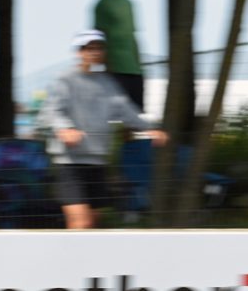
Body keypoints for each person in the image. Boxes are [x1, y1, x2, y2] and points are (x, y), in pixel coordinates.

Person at [40, 30, 166, 230]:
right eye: (89, 48)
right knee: (79, 223)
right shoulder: (65, 80)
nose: (95, 52)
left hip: (97, 163)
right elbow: (51, 110)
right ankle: (70, 261)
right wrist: (65, 129)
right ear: (79, 52)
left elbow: (125, 110)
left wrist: (151, 128)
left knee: (93, 224)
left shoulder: (107, 83)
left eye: (98, 47)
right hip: (69, 163)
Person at [93, 0, 144, 111]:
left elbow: (133, 36)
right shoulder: (102, 3)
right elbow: (98, 37)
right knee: (113, 114)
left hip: (133, 69)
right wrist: (105, 65)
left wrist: (140, 66)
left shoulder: (129, 4)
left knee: (133, 115)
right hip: (114, 68)